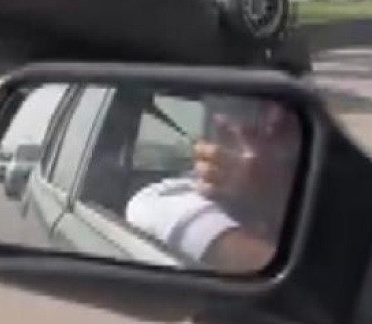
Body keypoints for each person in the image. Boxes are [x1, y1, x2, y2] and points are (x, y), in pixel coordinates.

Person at [125, 96, 302, 274]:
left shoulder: (309, 193)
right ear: (222, 130)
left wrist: (274, 197)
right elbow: (284, 271)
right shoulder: (162, 199)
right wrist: (267, 196)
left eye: (286, 127)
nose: (275, 118)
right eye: (258, 112)